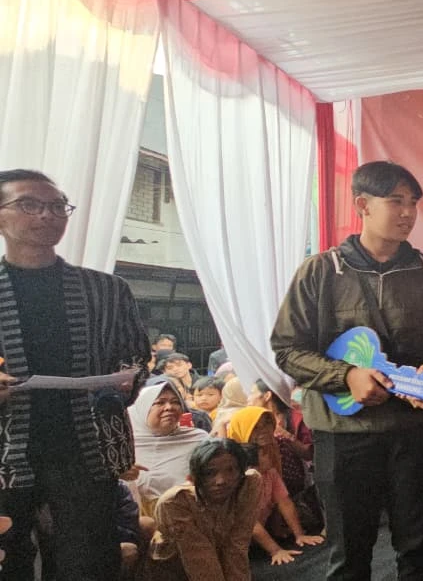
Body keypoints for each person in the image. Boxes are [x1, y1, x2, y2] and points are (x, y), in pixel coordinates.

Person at [272, 160, 423, 580]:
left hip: (414, 430)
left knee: (417, 548)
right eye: (396, 201)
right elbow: (287, 350)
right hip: (343, 432)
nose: (408, 213)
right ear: (362, 205)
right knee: (349, 552)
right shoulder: (321, 271)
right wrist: (346, 376)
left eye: (412, 202)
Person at [0, 169, 150, 578]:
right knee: (9, 562)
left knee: (88, 565)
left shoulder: (106, 289)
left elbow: (135, 356)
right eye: (29, 204)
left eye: (57, 206)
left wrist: (122, 383)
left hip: (86, 452)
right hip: (7, 452)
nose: (46, 215)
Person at [144, 438, 261, 581]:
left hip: (217, 564)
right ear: (194, 477)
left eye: (231, 470)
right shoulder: (175, 502)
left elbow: (237, 544)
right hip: (174, 570)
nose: (221, 481)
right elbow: (199, 558)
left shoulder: (248, 485)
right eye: (210, 473)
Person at [224, 407, 323, 565]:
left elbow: (284, 502)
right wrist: (275, 550)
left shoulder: (269, 468)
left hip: (260, 539)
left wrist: (299, 535)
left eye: (267, 424)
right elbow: (249, 522)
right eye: (256, 427)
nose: (264, 431)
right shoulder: (231, 474)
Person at [246, 378, 320, 531]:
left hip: (294, 483)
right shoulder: (249, 419)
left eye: (252, 393)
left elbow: (309, 453)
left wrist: (284, 435)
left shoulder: (295, 418)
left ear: (267, 395)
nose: (248, 398)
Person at [127, 382, 210, 517]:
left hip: (186, 516)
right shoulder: (124, 443)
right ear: (142, 408)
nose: (169, 407)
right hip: (135, 520)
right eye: (160, 403)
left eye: (175, 402)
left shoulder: (198, 439)